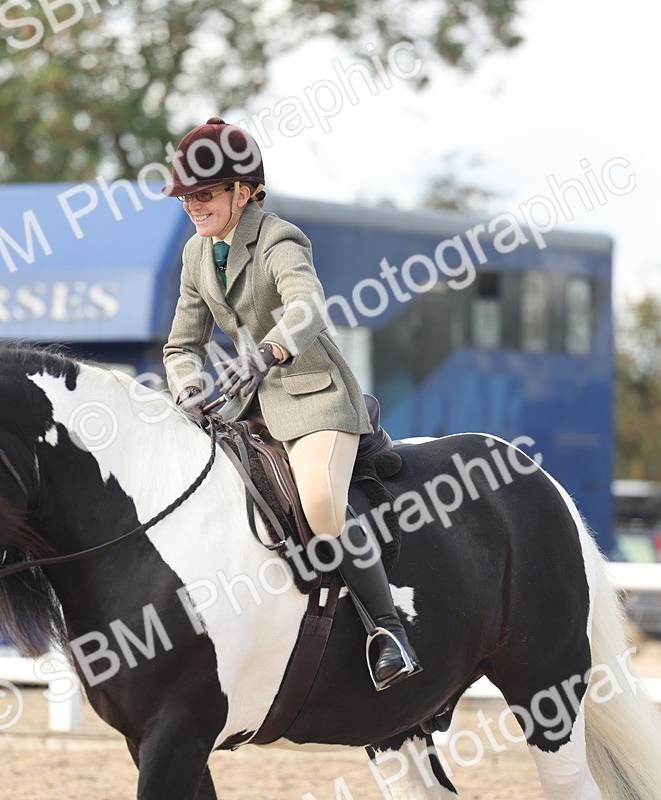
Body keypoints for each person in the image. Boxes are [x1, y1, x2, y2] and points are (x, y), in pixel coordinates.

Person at [162, 117, 421, 689]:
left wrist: (269, 350)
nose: (193, 206)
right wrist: (187, 390)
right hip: (245, 404)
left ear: (244, 191)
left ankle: (387, 631)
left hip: (312, 394)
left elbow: (307, 306)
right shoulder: (196, 254)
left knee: (322, 504)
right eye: (186, 197)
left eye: (204, 194)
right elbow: (182, 345)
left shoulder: (279, 238)